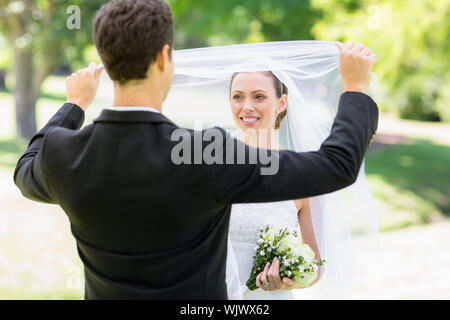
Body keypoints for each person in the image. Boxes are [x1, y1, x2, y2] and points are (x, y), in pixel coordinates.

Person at [13, 0, 378, 299]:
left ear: (106, 62)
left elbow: (25, 167)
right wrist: (356, 88)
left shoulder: (62, 152)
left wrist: (74, 105)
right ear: (163, 58)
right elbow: (335, 166)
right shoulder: (206, 153)